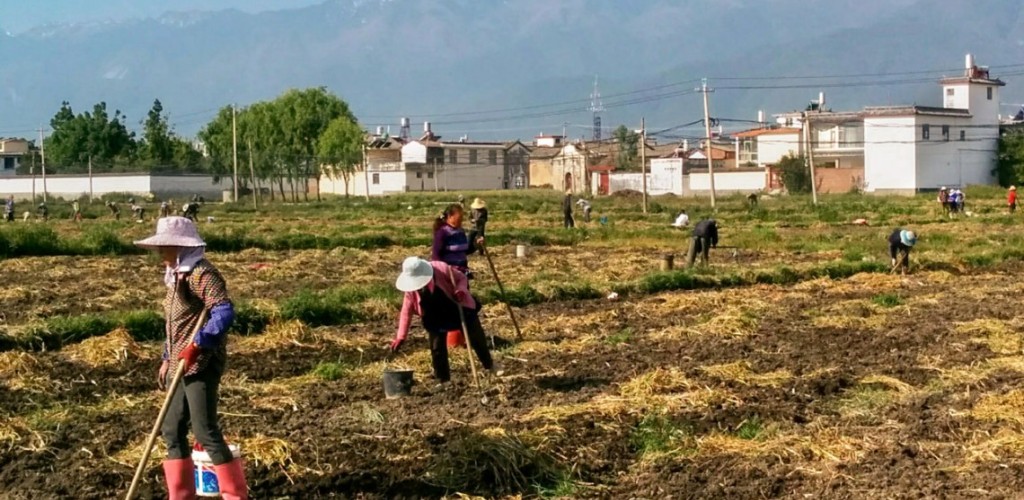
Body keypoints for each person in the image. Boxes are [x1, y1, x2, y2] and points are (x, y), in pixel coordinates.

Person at [133, 216, 247, 500]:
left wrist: (198, 344)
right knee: (171, 429)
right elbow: (174, 325)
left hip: (201, 362)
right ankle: (181, 495)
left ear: (181, 247)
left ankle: (235, 495)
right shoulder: (176, 276)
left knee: (204, 430)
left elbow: (223, 311)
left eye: (165, 248)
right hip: (178, 361)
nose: (160, 254)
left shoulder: (201, 275)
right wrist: (166, 357)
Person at [389, 257, 497, 386]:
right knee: (436, 347)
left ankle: (489, 365)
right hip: (434, 315)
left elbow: (461, 278)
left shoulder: (441, 268)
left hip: (456, 305)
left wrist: (460, 290)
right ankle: (443, 380)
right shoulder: (411, 290)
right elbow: (406, 311)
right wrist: (401, 336)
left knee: (475, 337)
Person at [432, 204, 480, 277]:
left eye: (461, 218)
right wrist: (441, 272)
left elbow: (464, 251)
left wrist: (477, 245)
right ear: (450, 217)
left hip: (462, 271)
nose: (461, 220)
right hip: (448, 273)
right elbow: (436, 254)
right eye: (459, 218)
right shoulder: (443, 232)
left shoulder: (460, 231)